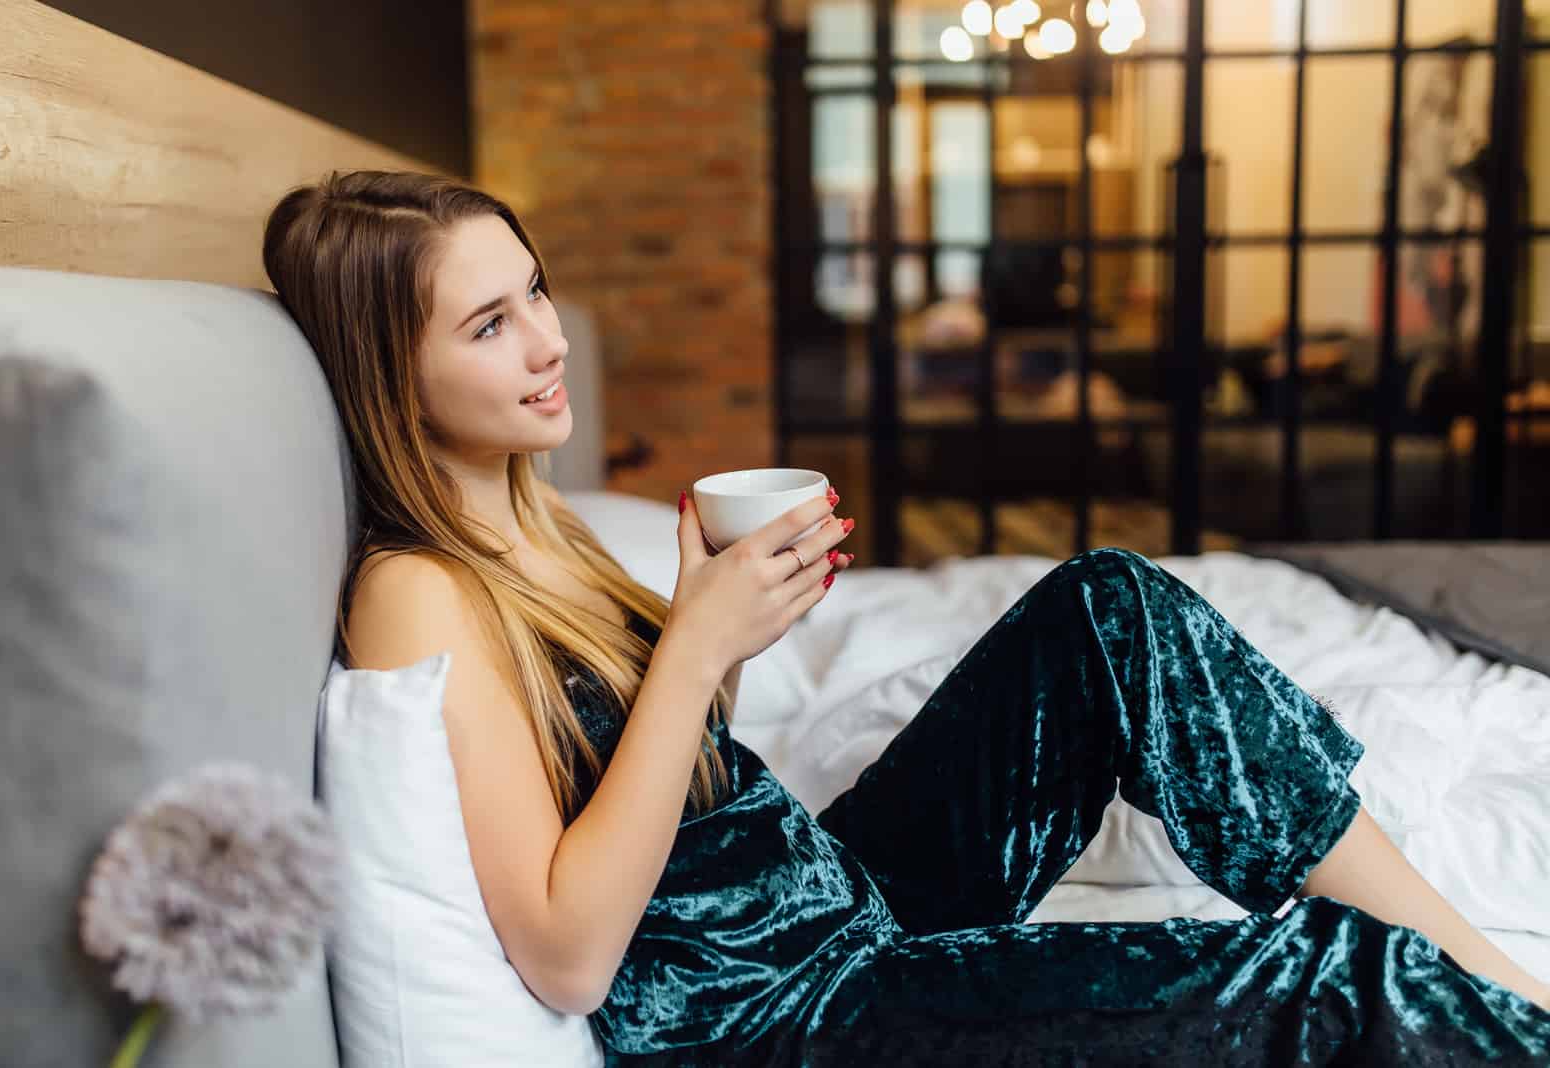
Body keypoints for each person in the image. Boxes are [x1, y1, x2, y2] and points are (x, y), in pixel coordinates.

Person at [262, 169, 1550, 1065]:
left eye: (535, 291)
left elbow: (655, 784)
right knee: (1320, 984)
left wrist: (715, 648)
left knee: (1113, 614)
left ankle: (1500, 982)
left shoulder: (537, 527)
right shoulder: (415, 589)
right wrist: (694, 646)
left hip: (819, 897)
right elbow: (567, 957)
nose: (546, 341)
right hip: (771, 1017)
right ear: (393, 369)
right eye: (491, 323)